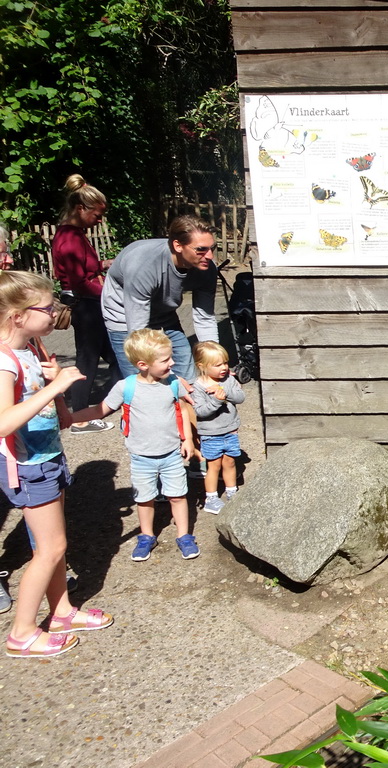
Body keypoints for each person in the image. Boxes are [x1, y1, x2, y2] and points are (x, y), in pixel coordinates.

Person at [0, 271, 113, 658]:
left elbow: (59, 416)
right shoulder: (4, 361)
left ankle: (61, 612)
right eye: (47, 308)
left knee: (55, 545)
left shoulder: (33, 348)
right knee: (50, 548)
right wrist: (55, 386)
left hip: (48, 456)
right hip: (28, 465)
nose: (55, 314)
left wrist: (62, 399)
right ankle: (22, 633)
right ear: (18, 315)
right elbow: (3, 423)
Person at [71, 328, 200, 561]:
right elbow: (100, 410)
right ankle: (147, 535)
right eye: (165, 360)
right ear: (143, 364)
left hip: (171, 453)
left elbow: (183, 407)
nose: (172, 363)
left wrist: (189, 440)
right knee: (144, 498)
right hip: (141, 456)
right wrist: (70, 418)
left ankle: (184, 535)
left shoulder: (172, 383)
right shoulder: (126, 387)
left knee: (178, 495)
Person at [101, 215, 219, 383]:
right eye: (201, 249)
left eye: (212, 248)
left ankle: (182, 407)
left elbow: (205, 317)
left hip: (164, 312)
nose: (210, 256)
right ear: (178, 245)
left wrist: (214, 360)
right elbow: (138, 333)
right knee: (142, 379)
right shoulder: (144, 264)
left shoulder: (207, 269)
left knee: (186, 371)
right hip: (125, 315)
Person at [51, 174, 117, 434]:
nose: (99, 221)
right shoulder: (70, 239)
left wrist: (103, 265)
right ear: (81, 208)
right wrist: (110, 296)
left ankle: (113, 403)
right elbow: (79, 282)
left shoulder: (74, 234)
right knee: (88, 361)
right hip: (88, 306)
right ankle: (79, 417)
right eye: (97, 215)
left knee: (115, 356)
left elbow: (83, 270)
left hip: (90, 304)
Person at [191, 341, 244, 514]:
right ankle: (211, 498)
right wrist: (216, 400)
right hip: (211, 433)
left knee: (229, 461)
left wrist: (225, 391)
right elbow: (200, 411)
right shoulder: (197, 387)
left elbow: (240, 397)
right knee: (213, 465)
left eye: (225, 363)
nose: (224, 367)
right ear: (202, 366)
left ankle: (232, 492)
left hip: (230, 430)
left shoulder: (228, 379)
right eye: (218, 365)